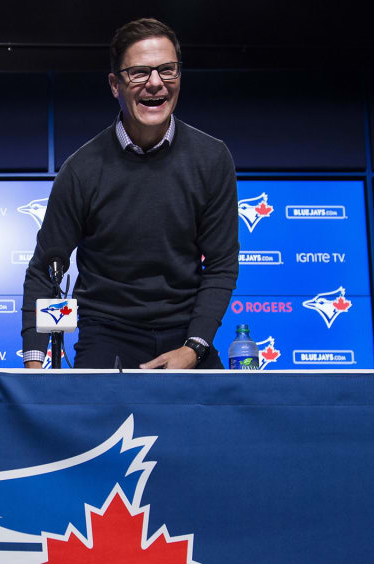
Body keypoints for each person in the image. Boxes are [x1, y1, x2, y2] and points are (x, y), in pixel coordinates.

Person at [21, 17, 239, 370]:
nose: (155, 83)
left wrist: (193, 348)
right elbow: (47, 271)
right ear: (115, 84)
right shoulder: (81, 170)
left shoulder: (212, 158)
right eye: (139, 73)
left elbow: (221, 265)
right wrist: (35, 366)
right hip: (106, 333)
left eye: (167, 70)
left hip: (186, 335)